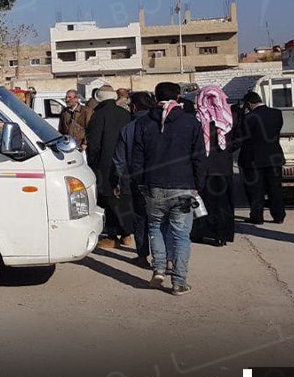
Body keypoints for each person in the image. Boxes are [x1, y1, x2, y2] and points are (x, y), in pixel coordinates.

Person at [131, 81, 206, 296]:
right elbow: (199, 158)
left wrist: (140, 184)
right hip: (183, 187)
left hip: (153, 185)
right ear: (179, 96)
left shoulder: (144, 123)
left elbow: (137, 159)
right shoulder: (191, 123)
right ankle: (179, 282)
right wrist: (198, 185)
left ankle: (159, 269)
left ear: (155, 98)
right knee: (181, 235)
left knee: (155, 227)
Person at [111, 91, 156, 267]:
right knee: (160, 220)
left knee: (140, 218)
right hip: (159, 179)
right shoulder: (160, 124)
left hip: (134, 181)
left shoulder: (128, 128)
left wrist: (122, 181)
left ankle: (143, 255)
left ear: (134, 107)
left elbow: (119, 160)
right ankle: (164, 259)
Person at [85, 85, 132, 249]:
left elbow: (94, 144)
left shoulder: (99, 116)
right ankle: (127, 234)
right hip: (125, 162)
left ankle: (112, 236)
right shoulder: (126, 114)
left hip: (105, 164)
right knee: (123, 199)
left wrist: (92, 164)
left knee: (108, 199)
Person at [191, 85, 238, 246]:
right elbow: (237, 141)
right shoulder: (230, 118)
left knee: (202, 203)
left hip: (202, 168)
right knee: (223, 203)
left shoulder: (196, 118)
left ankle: (200, 233)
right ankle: (222, 235)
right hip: (223, 168)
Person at [238, 91, 286, 225]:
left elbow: (243, 135)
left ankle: (257, 216)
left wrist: (241, 116)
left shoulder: (249, 117)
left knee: (255, 189)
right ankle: (279, 215)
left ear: (249, 104)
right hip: (274, 157)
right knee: (275, 188)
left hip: (253, 159)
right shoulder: (277, 113)